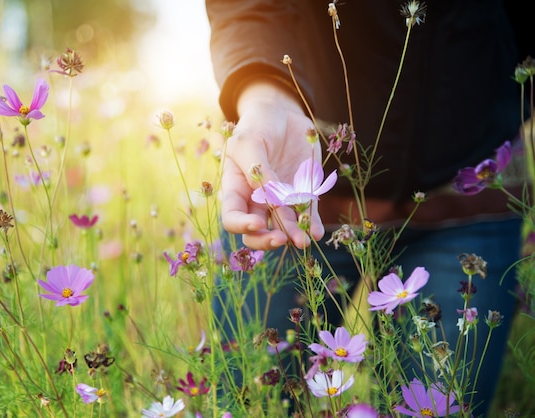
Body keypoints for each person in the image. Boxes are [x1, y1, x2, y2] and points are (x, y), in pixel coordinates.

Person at [206, 0, 533, 415]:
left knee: (440, 403)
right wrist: (266, 95)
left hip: (473, 186)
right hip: (297, 185)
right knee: (250, 401)